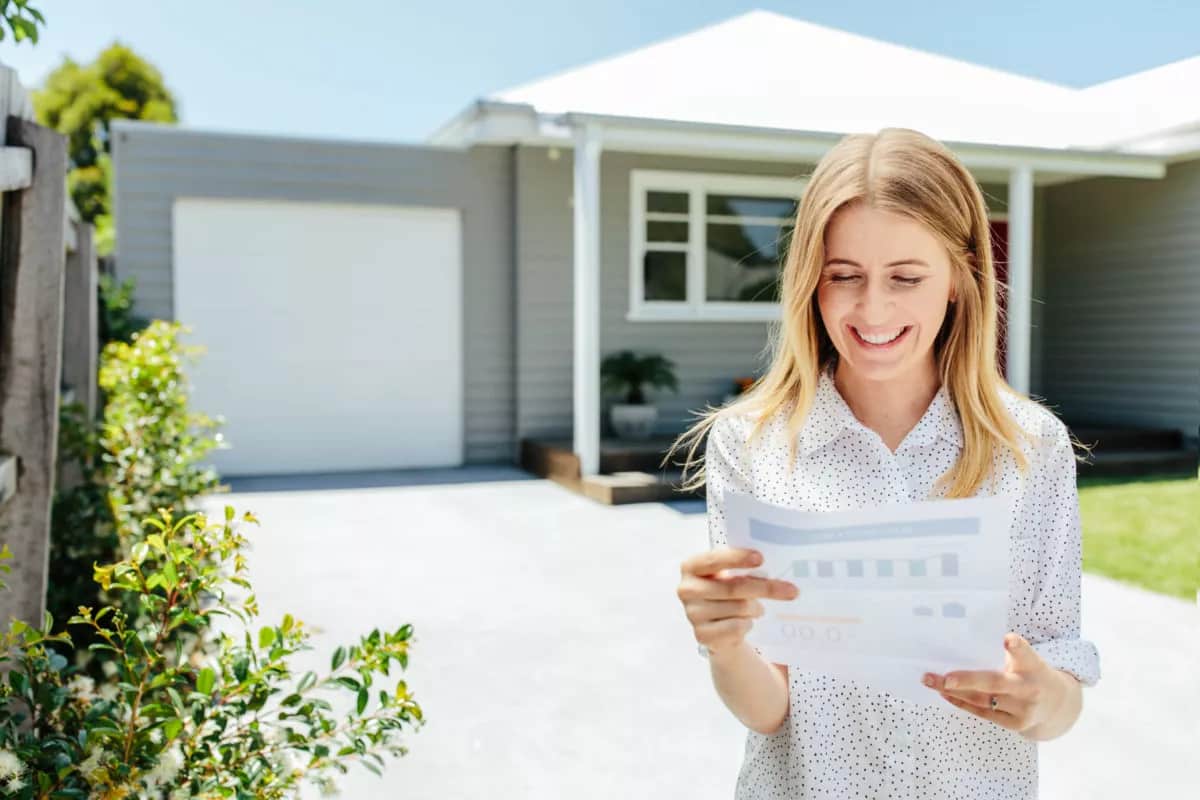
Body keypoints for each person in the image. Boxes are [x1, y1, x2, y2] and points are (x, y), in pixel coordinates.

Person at [667, 127, 1100, 799]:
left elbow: (1060, 684)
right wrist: (725, 646)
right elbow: (769, 709)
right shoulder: (749, 444)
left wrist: (1043, 698)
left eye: (906, 277)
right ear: (810, 281)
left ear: (959, 279)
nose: (873, 308)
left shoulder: (1031, 446)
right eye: (844, 277)